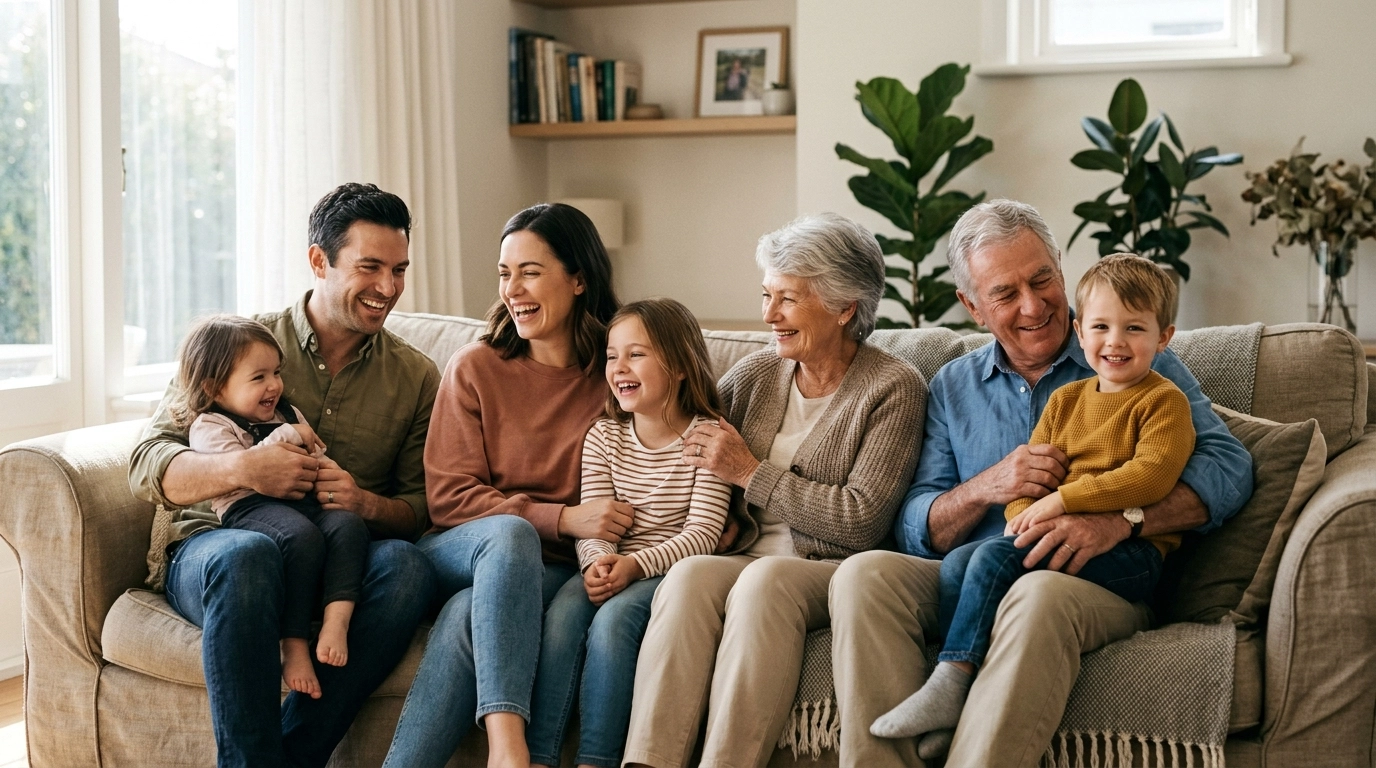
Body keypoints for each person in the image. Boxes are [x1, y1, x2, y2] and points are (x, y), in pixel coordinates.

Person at [829, 199, 1252, 768]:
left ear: (1060, 265)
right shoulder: (953, 386)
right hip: (983, 562)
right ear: (972, 306)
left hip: (1094, 580)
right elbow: (916, 522)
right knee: (864, 574)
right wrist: (988, 486)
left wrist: (1120, 521)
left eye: (1042, 279)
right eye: (1005, 293)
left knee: (1036, 592)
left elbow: (1230, 467)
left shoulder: (1127, 359)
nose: (1033, 305)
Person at [128, 182, 440, 768]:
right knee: (247, 554)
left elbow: (423, 507)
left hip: (332, 555)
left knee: (407, 568)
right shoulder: (237, 343)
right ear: (319, 261)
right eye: (370, 267)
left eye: (399, 269)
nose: (389, 288)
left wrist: (363, 503)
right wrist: (244, 468)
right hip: (216, 548)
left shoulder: (417, 377)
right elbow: (147, 461)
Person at [623, 213, 926, 768]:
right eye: (766, 295)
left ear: (844, 307)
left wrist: (749, 473)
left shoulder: (893, 387)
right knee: (689, 574)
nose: (768, 315)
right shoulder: (757, 373)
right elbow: (683, 440)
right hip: (743, 556)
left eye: (786, 299)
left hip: (829, 569)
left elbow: (862, 519)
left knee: (766, 579)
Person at [871, 253, 1195, 741]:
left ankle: (954, 680)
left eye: (1042, 280)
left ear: (1163, 337)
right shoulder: (1064, 401)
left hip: (1134, 555)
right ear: (1082, 330)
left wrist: (1065, 506)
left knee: (995, 566)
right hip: (1036, 541)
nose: (1116, 342)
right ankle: (953, 688)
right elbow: (1031, 485)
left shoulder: (1163, 396)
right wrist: (1018, 520)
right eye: (1102, 327)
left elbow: (1150, 477)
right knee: (964, 562)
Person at [383, 202, 622, 768]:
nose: (512, 289)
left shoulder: (617, 374)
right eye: (504, 273)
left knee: (471, 613)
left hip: (554, 569)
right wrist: (562, 517)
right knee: (510, 537)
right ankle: (507, 749)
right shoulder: (475, 367)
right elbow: (449, 499)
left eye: (530, 272)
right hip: (461, 546)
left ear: (580, 278)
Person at [528, 298, 734, 768]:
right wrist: (597, 561)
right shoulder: (604, 437)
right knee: (562, 616)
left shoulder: (709, 439)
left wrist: (634, 565)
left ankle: (596, 759)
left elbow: (703, 533)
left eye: (636, 354)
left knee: (614, 624)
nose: (619, 367)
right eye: (612, 355)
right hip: (610, 566)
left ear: (681, 366)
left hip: (667, 575)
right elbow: (591, 520)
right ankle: (538, 757)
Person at [172, 314, 369, 699]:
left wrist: (334, 477)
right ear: (215, 386)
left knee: (348, 526)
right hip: (246, 510)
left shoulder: (286, 413)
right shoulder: (210, 426)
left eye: (276, 372)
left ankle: (336, 620)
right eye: (258, 377)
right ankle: (293, 643)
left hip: (300, 501)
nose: (274, 385)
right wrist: (287, 435)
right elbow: (245, 471)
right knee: (300, 537)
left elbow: (316, 451)